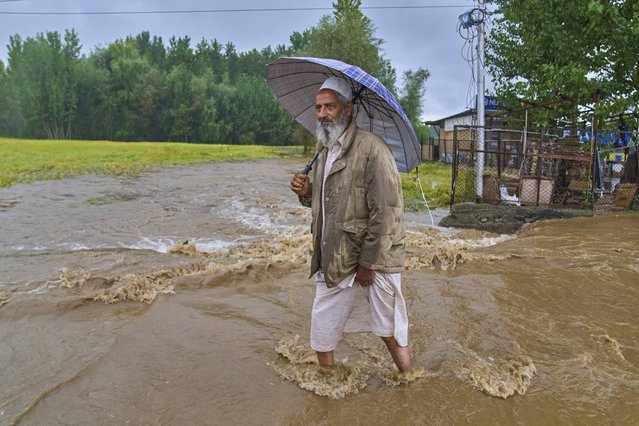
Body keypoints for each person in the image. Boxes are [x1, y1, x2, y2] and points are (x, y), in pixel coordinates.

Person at [290, 76, 412, 373]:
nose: (322, 114)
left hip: (377, 256)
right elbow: (326, 202)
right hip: (335, 252)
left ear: (349, 109)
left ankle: (409, 378)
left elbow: (387, 211)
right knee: (322, 327)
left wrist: (368, 263)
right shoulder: (324, 150)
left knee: (389, 328)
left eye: (329, 106)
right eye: (318, 108)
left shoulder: (374, 149)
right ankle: (327, 380)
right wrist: (306, 193)